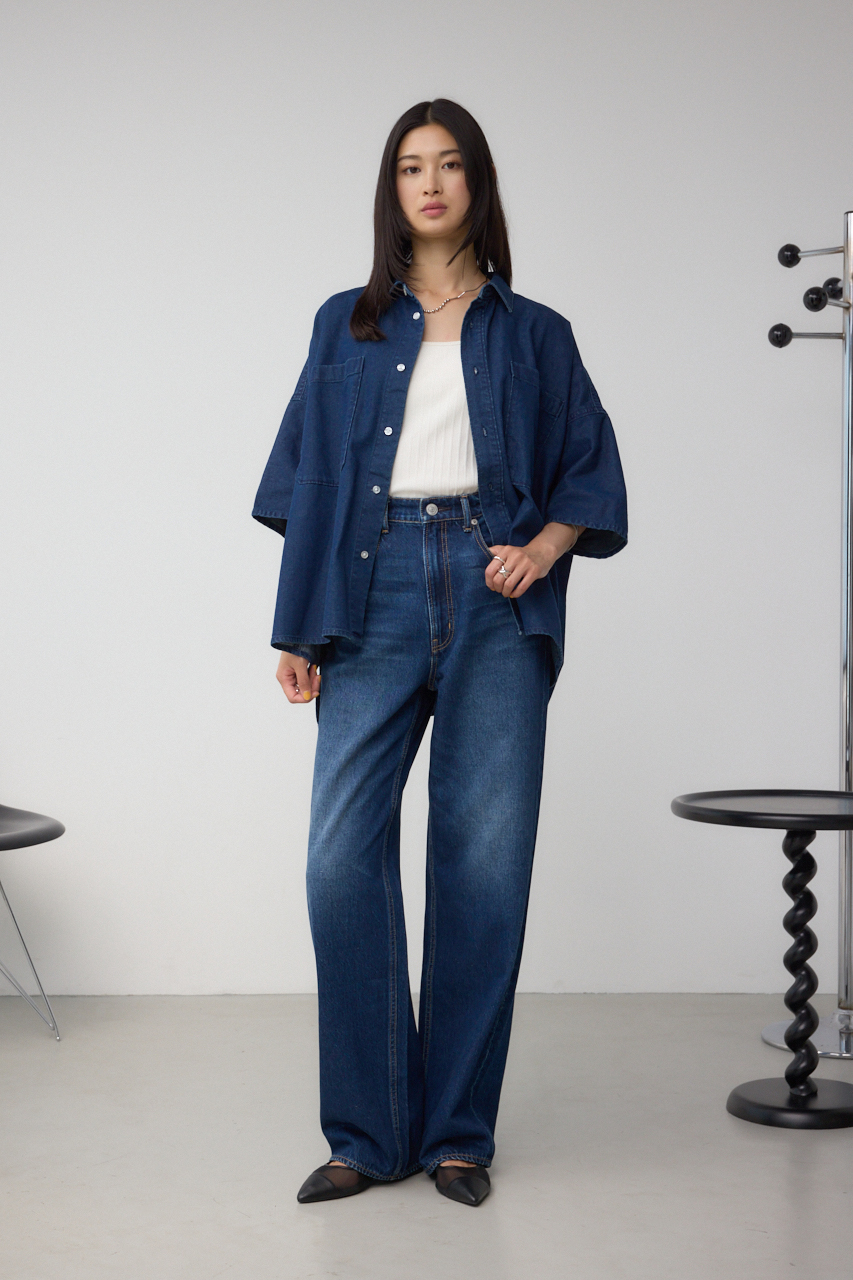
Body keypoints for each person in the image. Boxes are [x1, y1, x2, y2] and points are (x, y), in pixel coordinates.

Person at [253, 98, 627, 1207]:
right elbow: (308, 481)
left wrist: (541, 548)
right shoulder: (345, 325)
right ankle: (367, 1134)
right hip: (365, 593)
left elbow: (589, 468)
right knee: (339, 860)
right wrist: (297, 627)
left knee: (481, 865)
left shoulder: (536, 331)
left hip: (492, 593)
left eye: (449, 164)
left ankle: (458, 1133)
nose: (429, 183)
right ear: (392, 188)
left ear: (477, 183)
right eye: (411, 167)